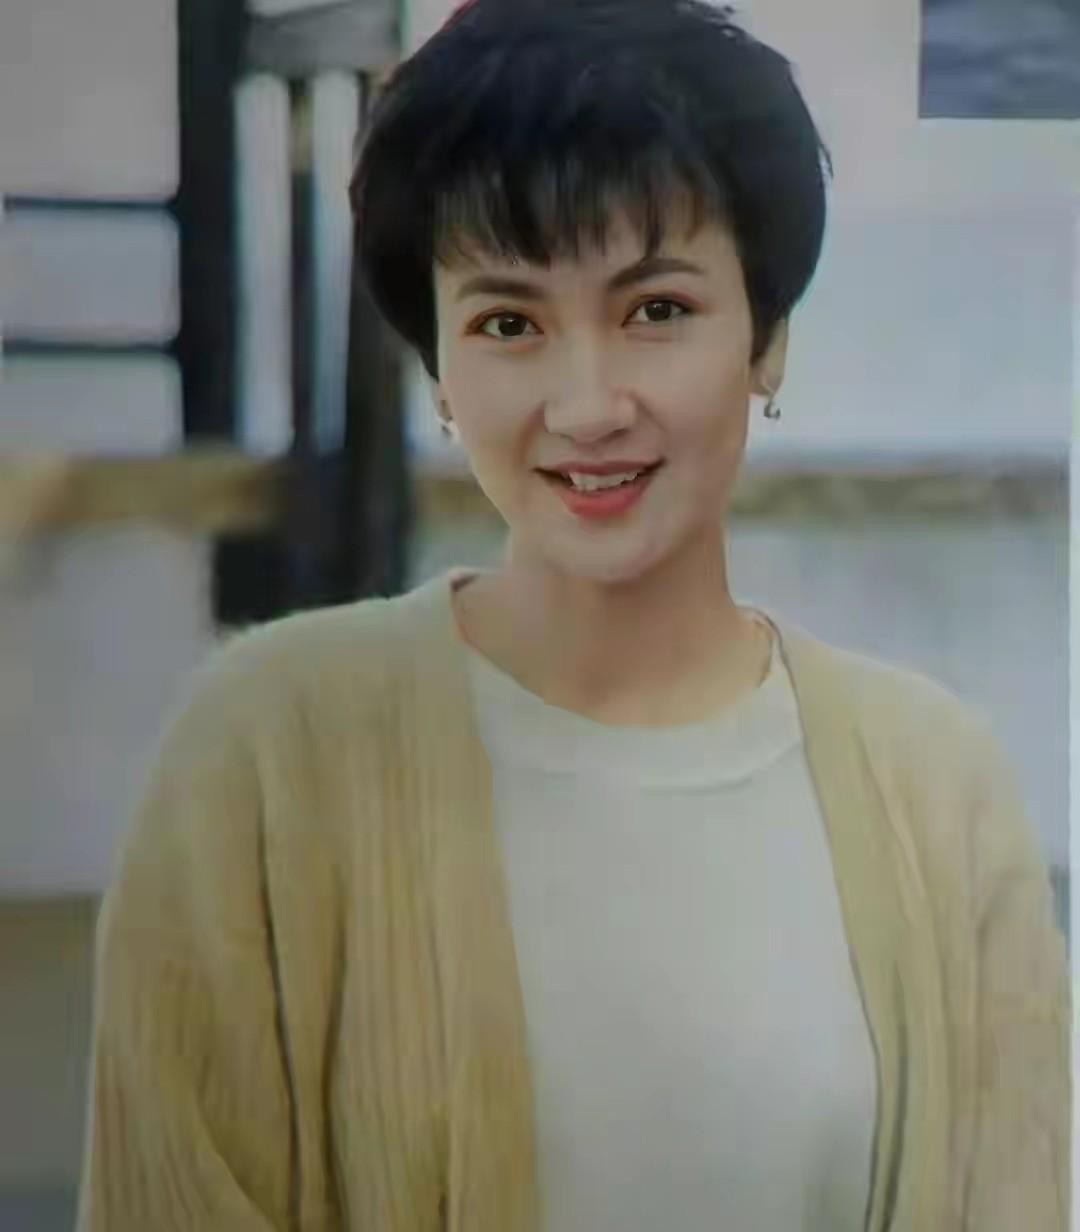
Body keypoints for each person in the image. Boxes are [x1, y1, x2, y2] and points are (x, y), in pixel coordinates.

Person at [77, 1, 1069, 1229]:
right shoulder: (261, 755)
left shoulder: (939, 790)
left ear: (766, 338)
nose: (588, 405)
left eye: (656, 310)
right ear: (441, 372)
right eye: (509, 323)